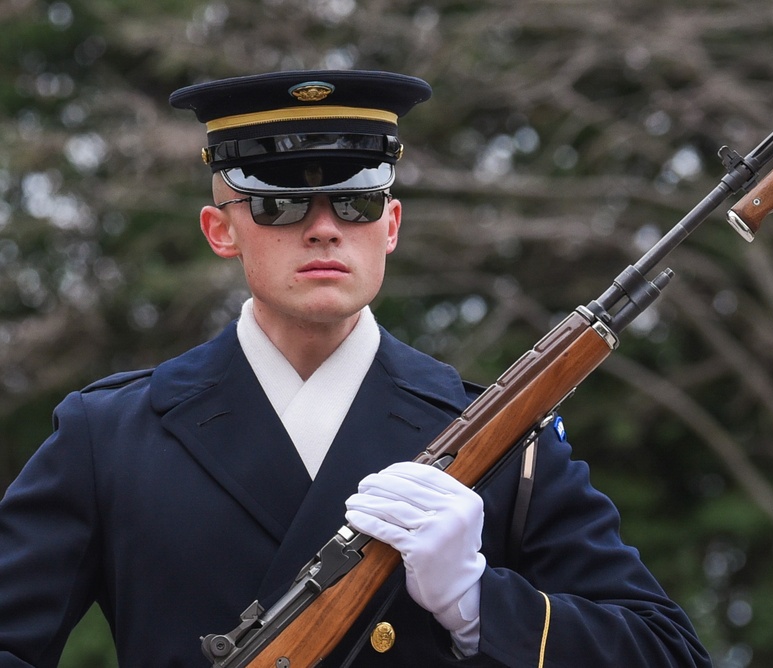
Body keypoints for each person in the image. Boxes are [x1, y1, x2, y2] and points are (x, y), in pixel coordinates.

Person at [0, 69, 711, 667]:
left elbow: (667, 650)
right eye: (278, 204)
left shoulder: (504, 441)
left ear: (391, 226)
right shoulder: (109, 436)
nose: (324, 227)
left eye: (356, 200)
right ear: (220, 231)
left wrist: (477, 602)